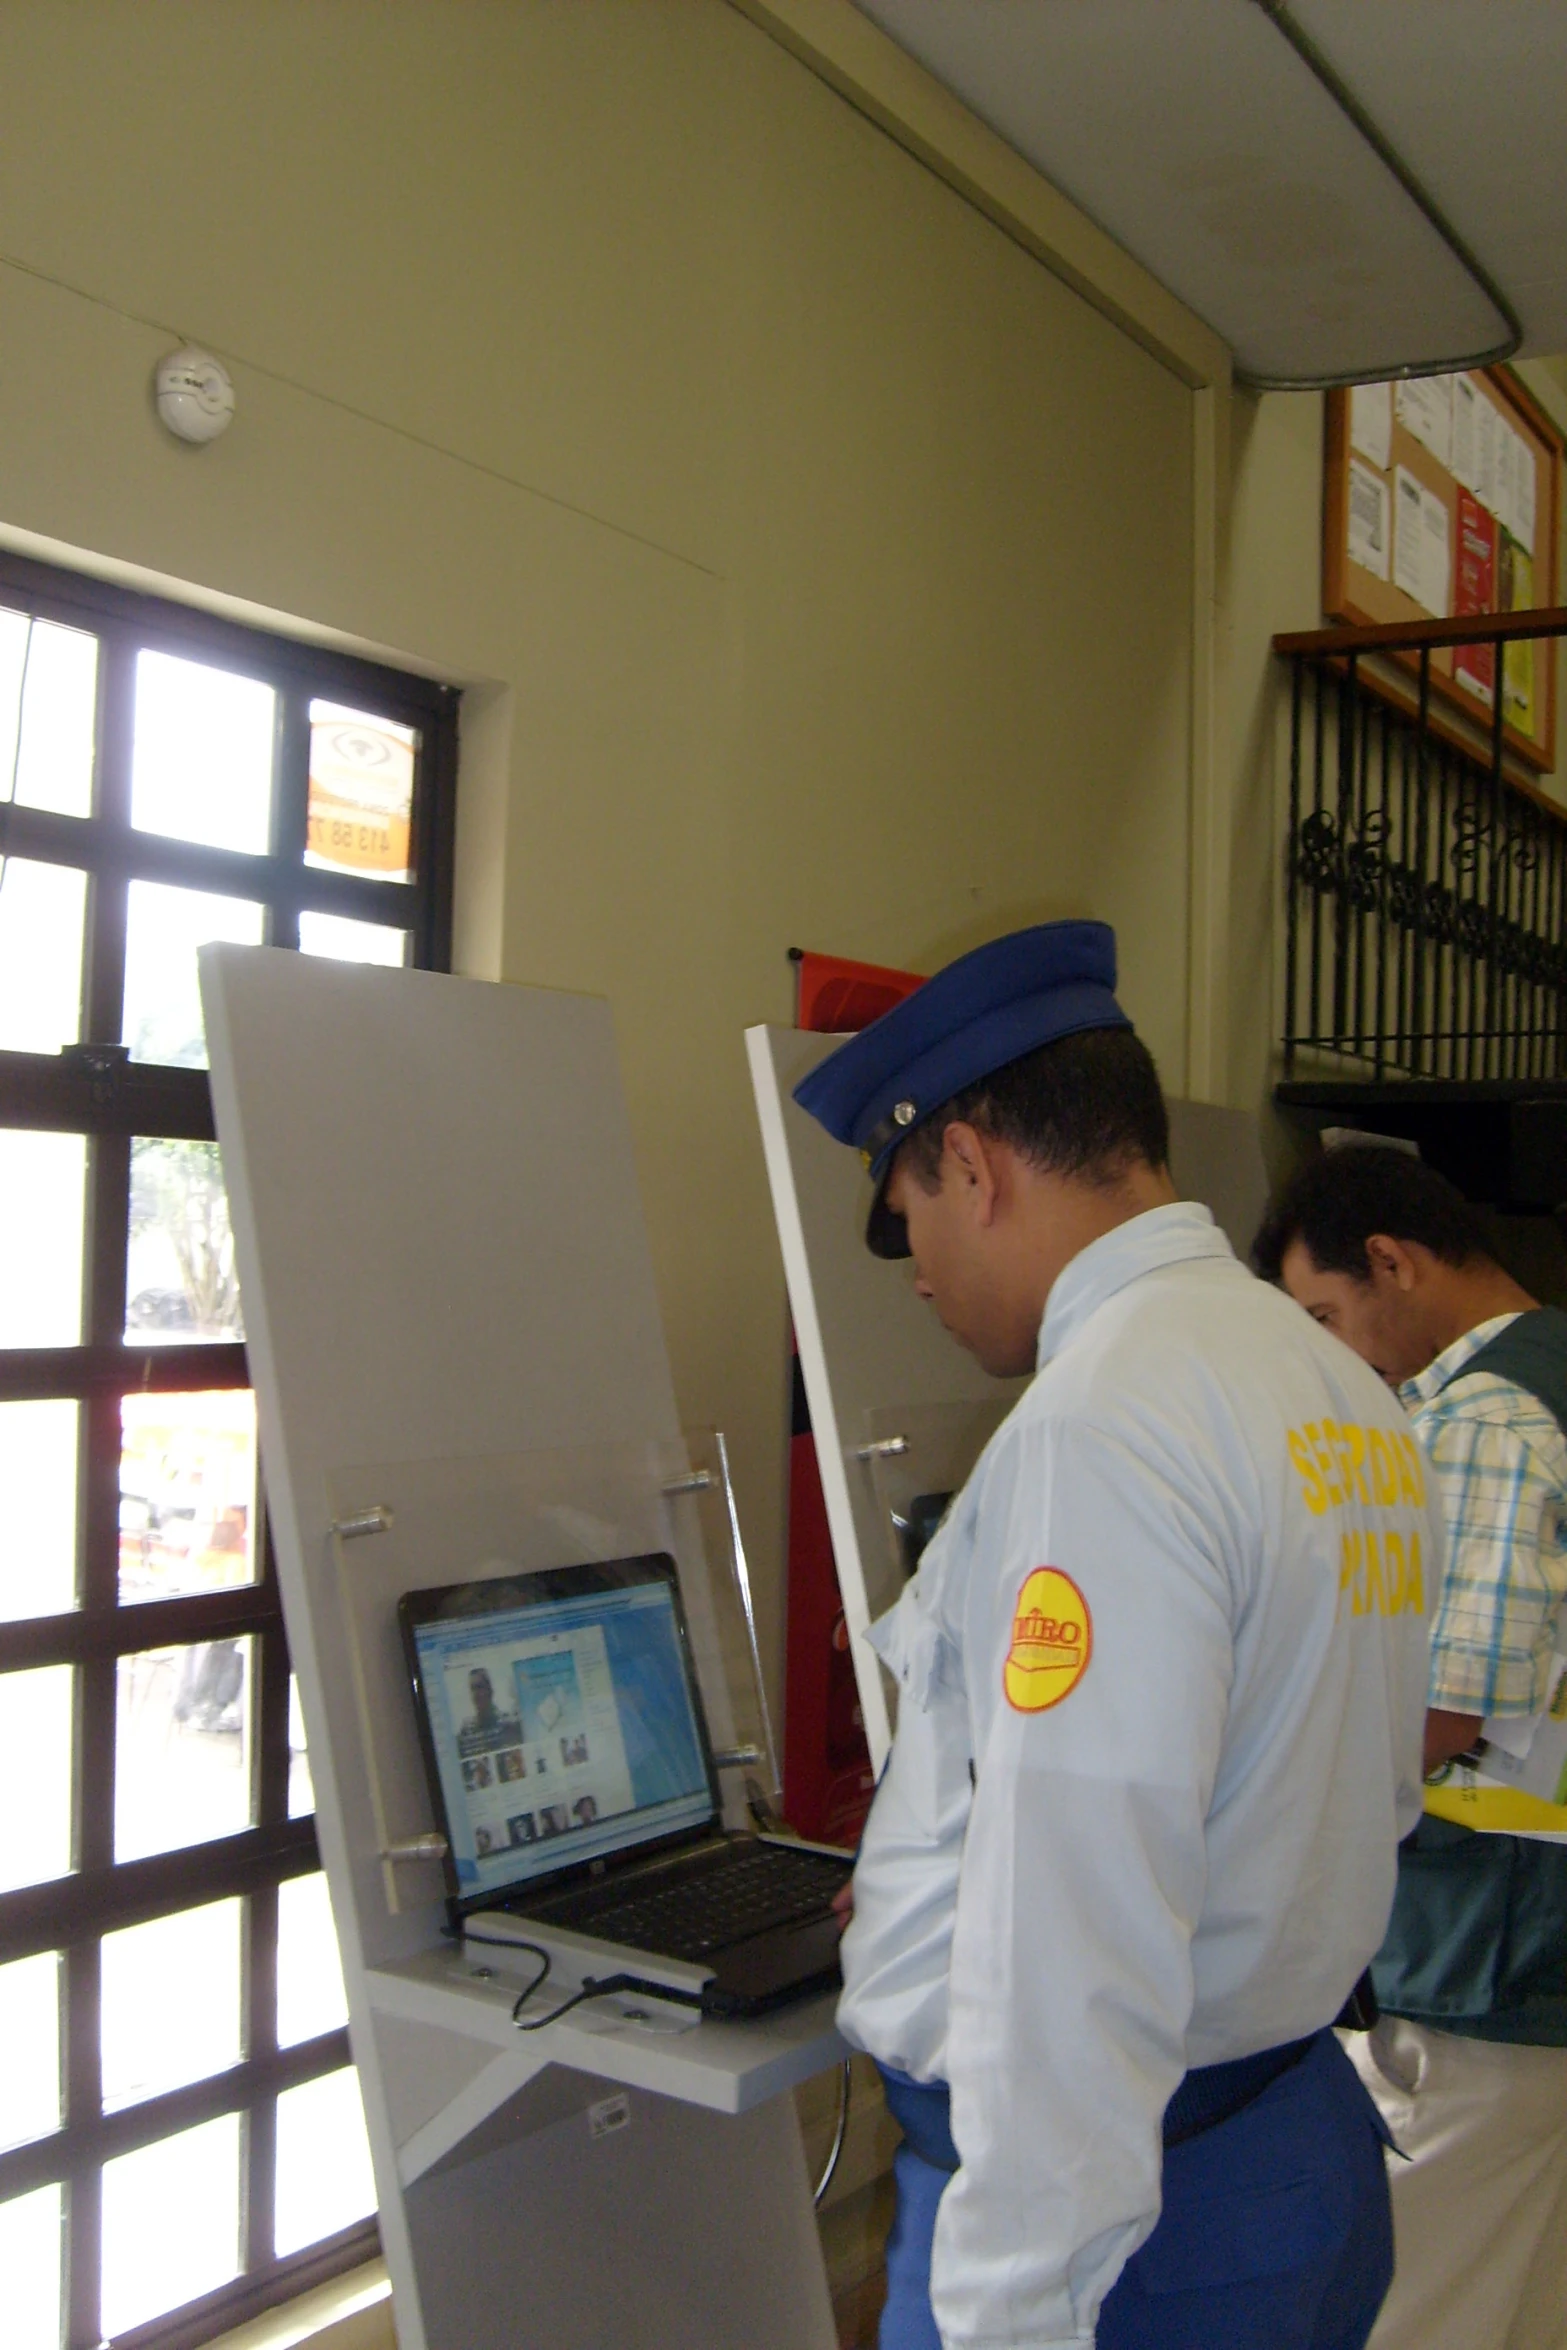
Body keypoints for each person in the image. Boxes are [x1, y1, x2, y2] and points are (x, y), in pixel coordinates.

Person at [792, 922, 1436, 2350]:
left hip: (1138, 2220)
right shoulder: (1336, 1388)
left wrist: (1005, 2317)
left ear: (972, 1161)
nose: (913, 1270)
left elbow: (1074, 1944)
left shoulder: (1101, 1426)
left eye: (910, 1217)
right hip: (1281, 2137)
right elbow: (1343, 1787)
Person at [1254, 1143, 1567, 2350]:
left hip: (1476, 1958)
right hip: (1527, 1947)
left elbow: (1445, 1708)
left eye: (1328, 1314)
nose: (1336, 1354)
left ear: (1392, 1260)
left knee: (1408, 2309)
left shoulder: (1486, 1416)